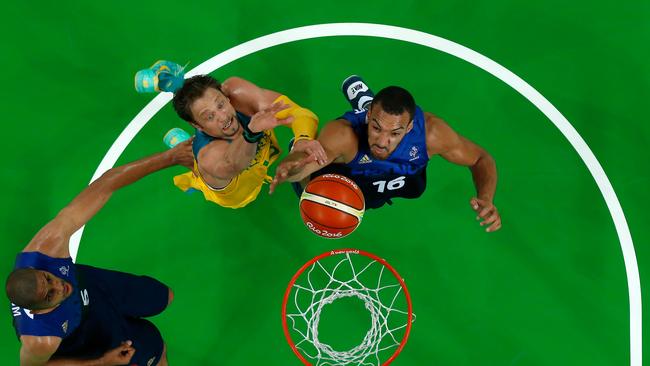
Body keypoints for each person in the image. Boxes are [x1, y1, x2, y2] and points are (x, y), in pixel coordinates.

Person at [6, 140, 194, 365]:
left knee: (166, 296)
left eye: (48, 278)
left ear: (37, 269)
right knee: (155, 350)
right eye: (49, 295)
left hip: (92, 286)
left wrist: (171, 158)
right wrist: (102, 362)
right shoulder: (41, 339)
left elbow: (105, 185)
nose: (59, 286)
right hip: (86, 333)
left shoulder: (47, 248)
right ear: (37, 312)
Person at [271, 76, 502, 232]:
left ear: (410, 128)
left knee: (416, 188)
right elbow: (304, 165)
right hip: (348, 173)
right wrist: (293, 162)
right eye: (376, 127)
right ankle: (364, 104)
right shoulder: (344, 135)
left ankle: (366, 100)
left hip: (399, 174)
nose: (382, 142)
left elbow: (481, 158)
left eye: (395, 133)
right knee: (310, 193)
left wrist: (486, 198)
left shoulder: (431, 134)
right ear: (369, 117)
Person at [170, 74, 326, 209]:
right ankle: (191, 164)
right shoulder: (208, 155)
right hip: (238, 192)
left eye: (221, 104)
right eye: (210, 117)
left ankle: (185, 145)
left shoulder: (238, 95)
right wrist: (251, 133)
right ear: (197, 125)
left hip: (261, 161)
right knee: (202, 181)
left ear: (225, 95)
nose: (223, 117)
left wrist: (302, 139)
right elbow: (234, 165)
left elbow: (299, 113)